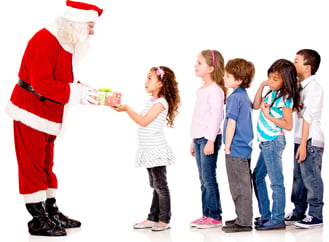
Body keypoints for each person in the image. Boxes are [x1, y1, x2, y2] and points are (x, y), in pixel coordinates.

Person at [5, 0, 103, 236]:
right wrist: (77, 94)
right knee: (32, 167)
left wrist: (85, 91)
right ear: (77, 22)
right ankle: (38, 219)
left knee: (46, 165)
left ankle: (50, 211)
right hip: (30, 112)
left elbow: (61, 79)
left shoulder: (66, 42)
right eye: (90, 25)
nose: (92, 31)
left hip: (49, 114)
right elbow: (42, 83)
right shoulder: (45, 40)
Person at [112, 66, 180, 232]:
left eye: (150, 78)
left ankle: (164, 219)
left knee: (161, 185)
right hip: (149, 150)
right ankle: (153, 217)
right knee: (155, 185)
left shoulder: (161, 102)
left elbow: (143, 121)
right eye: (146, 78)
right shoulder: (151, 101)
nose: (146, 82)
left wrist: (127, 109)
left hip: (156, 150)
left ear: (161, 83)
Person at [252, 59, 300, 231]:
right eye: (269, 78)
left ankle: (277, 218)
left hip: (273, 142)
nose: (271, 82)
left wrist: (268, 115)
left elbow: (288, 125)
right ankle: (267, 215)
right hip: (265, 142)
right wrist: (263, 85)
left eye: (275, 79)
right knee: (257, 176)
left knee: (276, 181)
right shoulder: (272, 93)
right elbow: (256, 105)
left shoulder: (285, 98)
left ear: (285, 80)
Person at [284, 49, 324, 228]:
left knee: (311, 177)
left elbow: (308, 117)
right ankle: (298, 211)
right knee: (298, 178)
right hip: (300, 138)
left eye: (297, 61)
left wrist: (304, 144)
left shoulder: (315, 88)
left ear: (307, 67)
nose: (293, 65)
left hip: (310, 141)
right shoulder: (299, 87)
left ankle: (315, 214)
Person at [189, 50, 227, 229]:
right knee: (202, 178)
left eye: (199, 63)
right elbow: (198, 117)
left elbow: (216, 117)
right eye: (196, 62)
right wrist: (193, 140)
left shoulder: (216, 91)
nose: (195, 65)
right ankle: (206, 213)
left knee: (208, 177)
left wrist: (210, 140)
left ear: (211, 68)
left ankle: (215, 215)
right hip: (199, 138)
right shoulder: (201, 90)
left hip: (208, 138)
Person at [221, 58, 255, 233]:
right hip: (244, 148)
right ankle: (242, 216)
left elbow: (231, 123)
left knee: (239, 186)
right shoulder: (243, 95)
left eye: (228, 76)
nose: (224, 78)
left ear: (240, 80)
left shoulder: (235, 98)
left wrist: (227, 146)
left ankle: (244, 222)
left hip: (236, 148)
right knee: (241, 184)